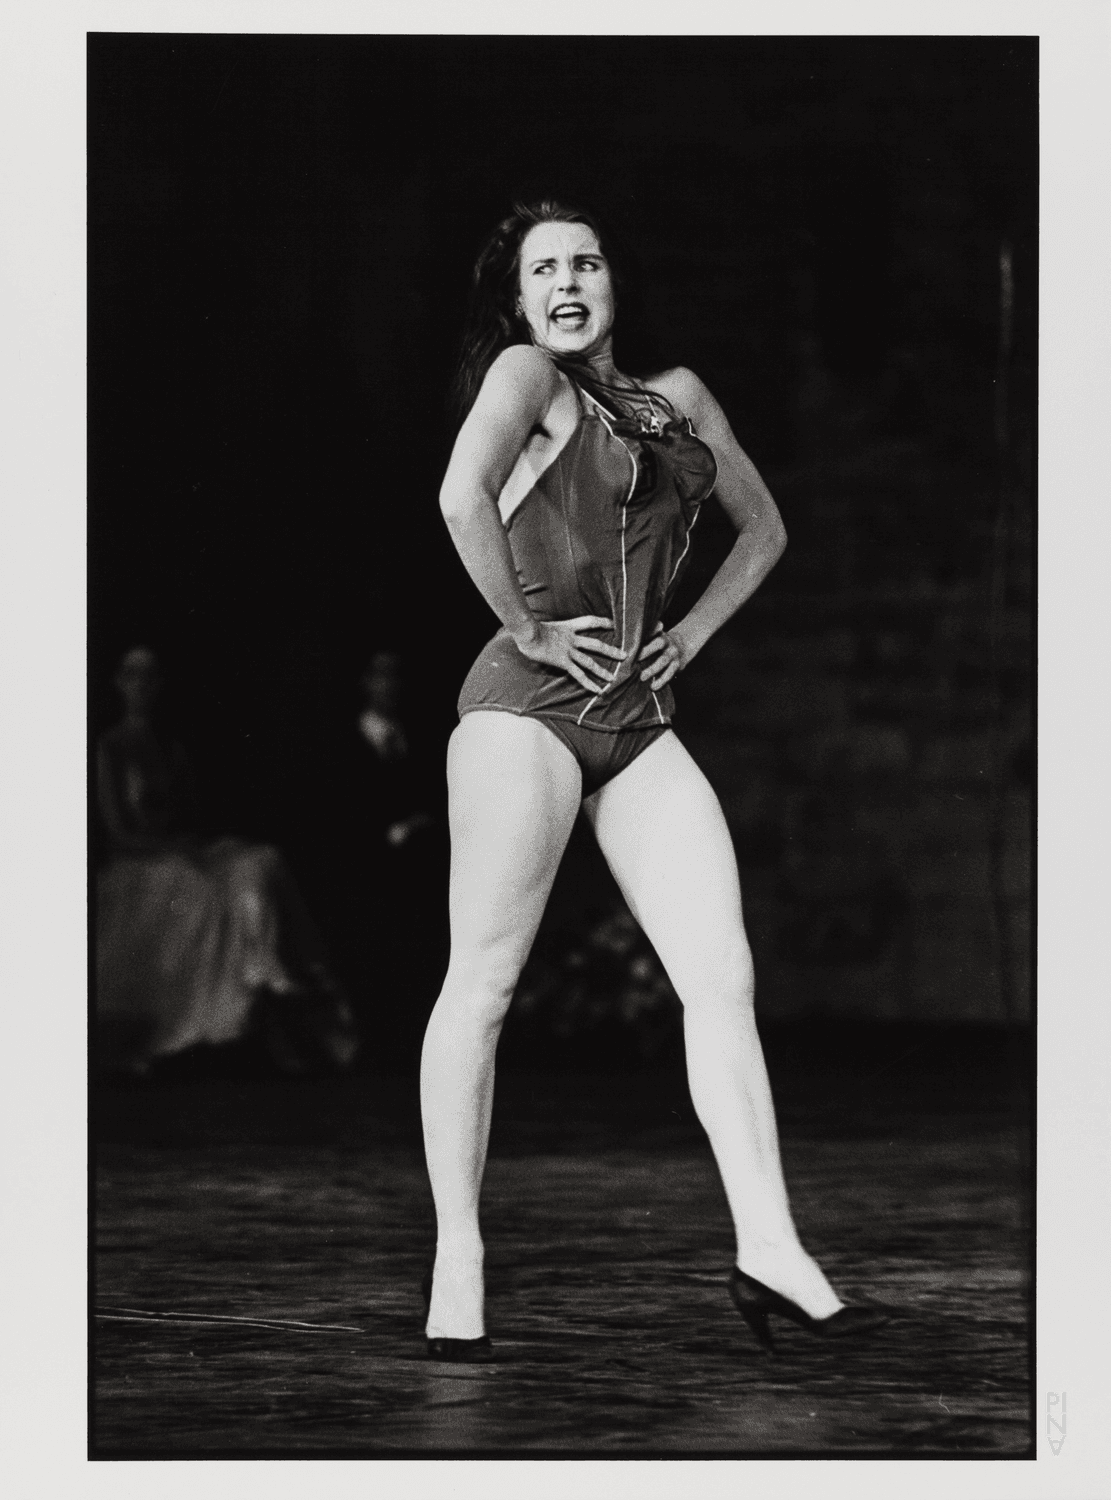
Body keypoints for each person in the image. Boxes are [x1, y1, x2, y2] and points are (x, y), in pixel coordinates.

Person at [419, 200, 888, 1360]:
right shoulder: (530, 374)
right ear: (520, 301)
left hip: (637, 718)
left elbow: (762, 530)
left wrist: (695, 634)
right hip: (524, 711)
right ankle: (458, 1253)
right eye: (545, 271)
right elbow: (458, 496)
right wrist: (525, 629)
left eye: (586, 260)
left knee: (721, 974)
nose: (569, 281)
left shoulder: (676, 395)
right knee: (482, 984)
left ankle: (769, 1244)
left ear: (612, 278)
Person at [96, 646, 358, 1075]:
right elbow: (119, 832)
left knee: (261, 860)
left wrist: (195, 847)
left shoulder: (171, 747)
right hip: (139, 862)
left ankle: (270, 966)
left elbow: (192, 818)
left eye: (150, 677)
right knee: (201, 886)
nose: (141, 686)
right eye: (132, 675)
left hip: (183, 850)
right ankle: (253, 982)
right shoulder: (111, 747)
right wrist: (176, 851)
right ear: (119, 683)